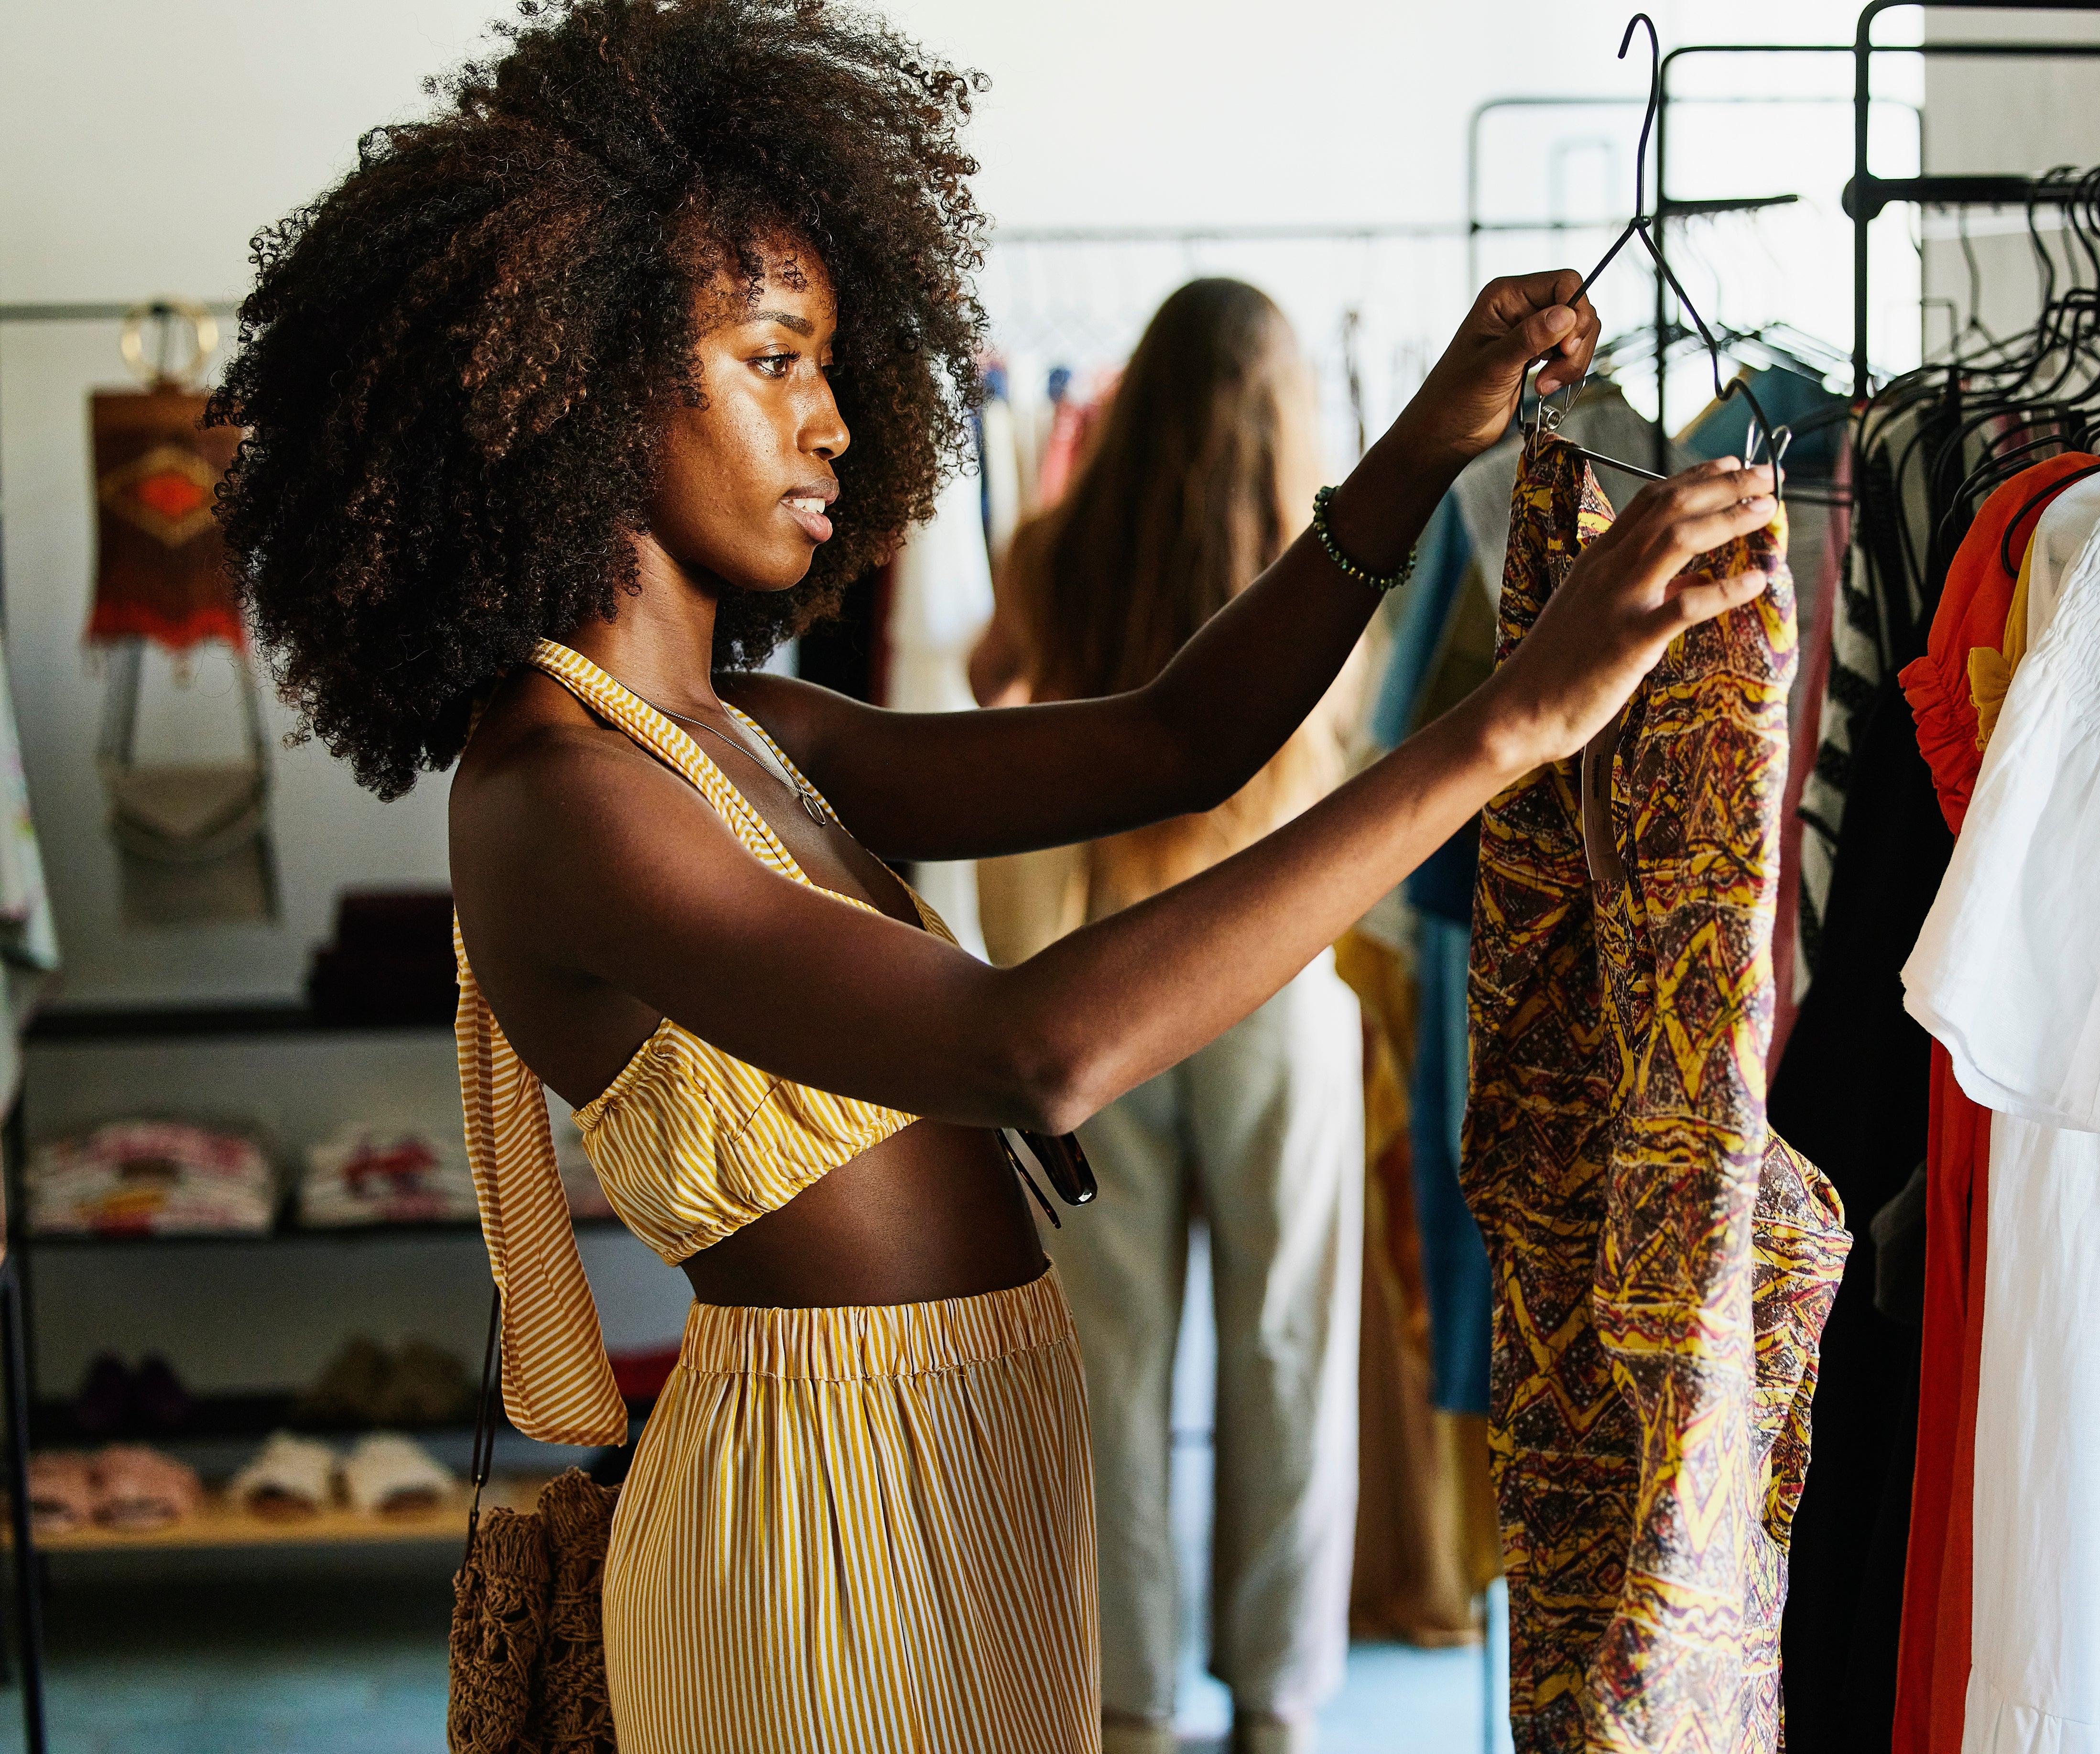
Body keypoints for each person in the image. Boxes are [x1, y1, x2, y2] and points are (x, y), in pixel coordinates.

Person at [210, 2, 1779, 1750]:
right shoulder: (558, 796)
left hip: (981, 1471)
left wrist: (1428, 442)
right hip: (811, 1532)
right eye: (773, 360)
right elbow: (1031, 1049)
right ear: (585, 382)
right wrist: (1507, 726)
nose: (833, 428)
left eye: (826, 366)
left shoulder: (751, 730)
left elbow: (1180, 740)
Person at [969, 279, 1369, 1754]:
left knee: (1113, 1358)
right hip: (1272, 990)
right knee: (1284, 1352)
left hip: (1110, 987)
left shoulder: (1050, 554)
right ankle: (1276, 1705)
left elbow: (987, 703)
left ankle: (1129, 1701)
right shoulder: (1331, 574)